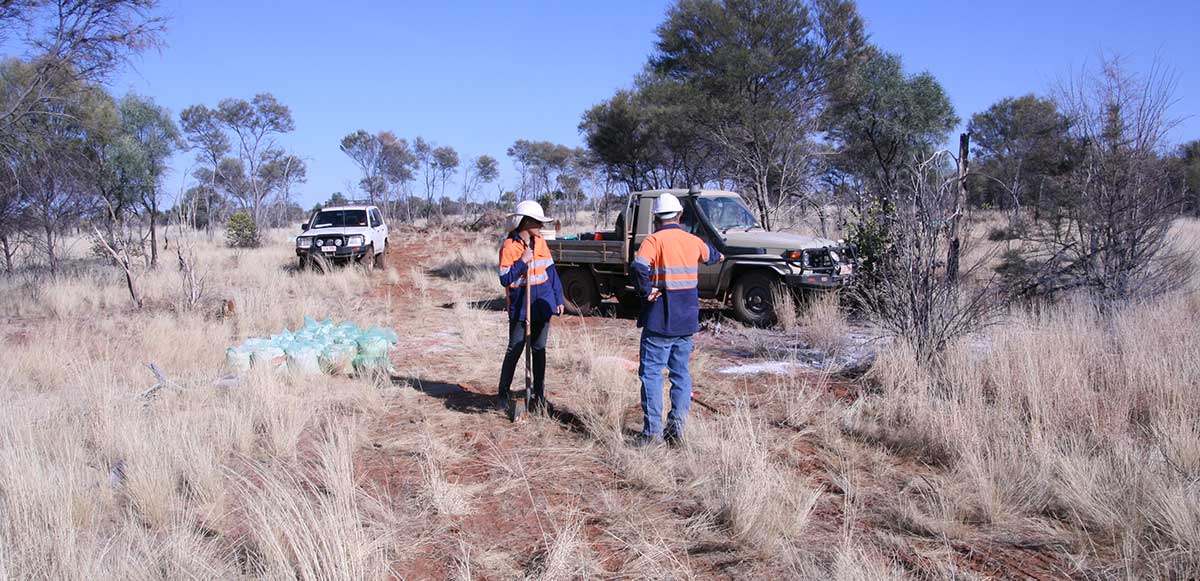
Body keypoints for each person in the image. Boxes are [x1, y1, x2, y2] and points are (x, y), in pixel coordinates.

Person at [630, 193, 722, 446]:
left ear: (656, 218)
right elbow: (712, 254)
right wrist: (719, 255)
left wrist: (646, 291)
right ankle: (676, 431)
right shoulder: (692, 241)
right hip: (686, 320)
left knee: (651, 375)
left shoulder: (653, 240)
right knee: (680, 375)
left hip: (660, 319)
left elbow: (638, 268)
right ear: (680, 216)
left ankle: (652, 435)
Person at [497, 200, 565, 414]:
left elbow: (551, 272)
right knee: (515, 349)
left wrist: (559, 298)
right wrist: (522, 262)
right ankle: (502, 394)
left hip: (542, 305)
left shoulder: (541, 242)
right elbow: (505, 278)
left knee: (539, 350)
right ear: (525, 222)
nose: (541, 226)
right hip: (520, 307)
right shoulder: (509, 246)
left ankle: (539, 395)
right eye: (537, 222)